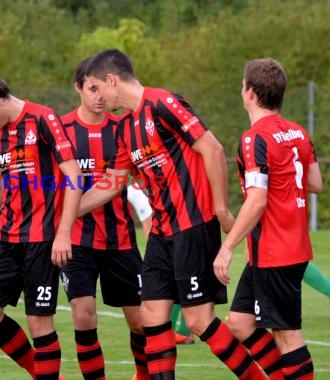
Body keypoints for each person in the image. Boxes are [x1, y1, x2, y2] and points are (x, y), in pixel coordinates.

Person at [78, 49, 265, 379]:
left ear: (111, 80)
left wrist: (220, 209)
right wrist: (62, 216)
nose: (99, 97)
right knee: (151, 313)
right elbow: (111, 185)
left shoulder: (162, 103)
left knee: (197, 320)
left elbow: (213, 148)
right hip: (162, 234)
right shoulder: (124, 129)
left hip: (193, 225)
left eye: (97, 88)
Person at [0, 72, 82, 379]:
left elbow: (75, 175)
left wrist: (63, 234)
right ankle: (41, 373)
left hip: (42, 238)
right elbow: (1, 179)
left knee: (39, 322)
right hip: (6, 235)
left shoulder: (43, 119)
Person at [214, 58, 322, 379]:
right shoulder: (298, 132)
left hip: (276, 251)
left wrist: (227, 247)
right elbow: (315, 183)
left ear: (249, 92)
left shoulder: (254, 138)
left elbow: (257, 200)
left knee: (287, 336)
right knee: (240, 322)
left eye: (243, 85)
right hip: (287, 247)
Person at [60, 57, 147, 379]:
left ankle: (143, 374)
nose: (98, 95)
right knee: (83, 317)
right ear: (78, 88)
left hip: (119, 240)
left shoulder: (123, 128)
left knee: (140, 321)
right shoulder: (61, 130)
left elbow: (127, 182)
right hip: (76, 242)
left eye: (101, 88)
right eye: (90, 88)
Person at [128, 183, 194, 345]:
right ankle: (178, 329)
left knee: (167, 258)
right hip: (137, 184)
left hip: (138, 184)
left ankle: (178, 329)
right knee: (167, 258)